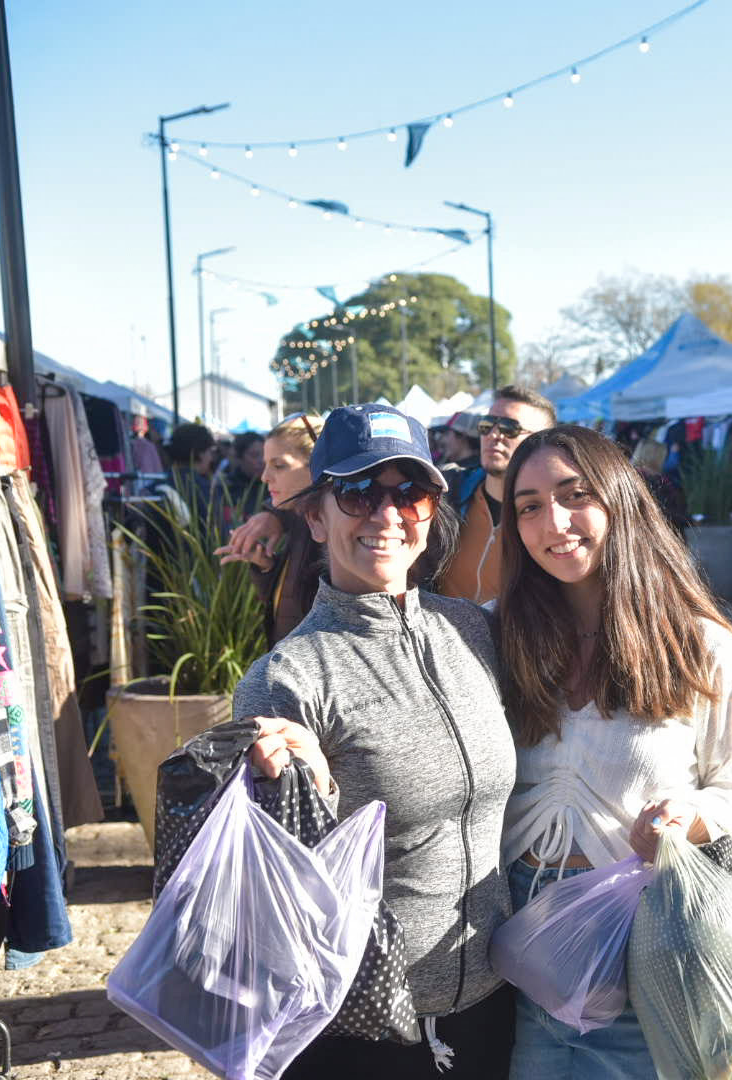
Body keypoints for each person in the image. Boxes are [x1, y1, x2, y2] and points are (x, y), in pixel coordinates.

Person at [232, 403, 517, 1076]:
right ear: (316, 515)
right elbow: (272, 887)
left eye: (409, 491)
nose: (387, 515)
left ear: (432, 508)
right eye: (358, 492)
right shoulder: (287, 679)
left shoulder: (472, 631)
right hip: (364, 1028)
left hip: (494, 1002)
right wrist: (310, 788)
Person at [497, 424, 732, 1077]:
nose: (554, 522)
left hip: (643, 946)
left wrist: (691, 816)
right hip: (520, 952)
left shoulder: (702, 646)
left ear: (620, 499)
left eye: (575, 495)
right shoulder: (500, 636)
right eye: (530, 506)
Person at [439, 385, 556, 604]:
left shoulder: (555, 519)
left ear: (542, 442)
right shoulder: (447, 494)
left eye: (509, 428)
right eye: (486, 425)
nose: (494, 435)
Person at [214, 413, 322, 647]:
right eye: (265, 464)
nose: (265, 477)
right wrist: (268, 567)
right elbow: (294, 605)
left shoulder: (331, 527)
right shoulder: (303, 518)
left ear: (317, 464)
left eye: (279, 465)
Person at [210, 430, 267, 524]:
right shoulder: (226, 487)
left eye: (264, 455)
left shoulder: (274, 486)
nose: (262, 461)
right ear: (240, 457)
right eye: (254, 455)